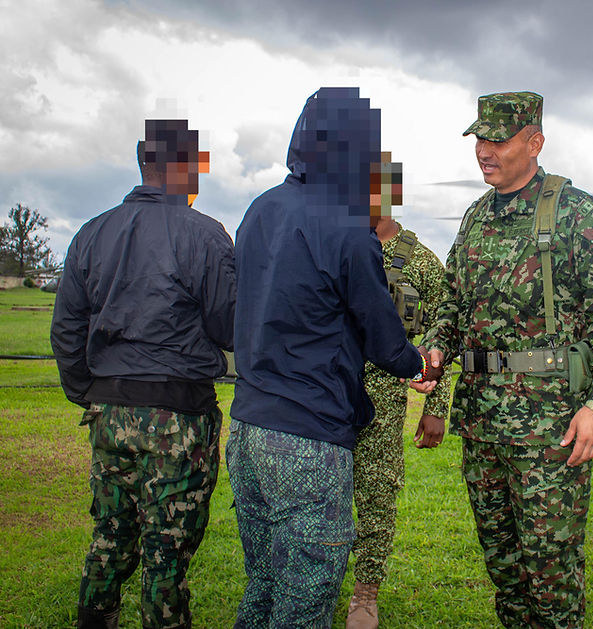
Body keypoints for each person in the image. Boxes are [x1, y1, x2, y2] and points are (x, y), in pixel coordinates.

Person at [422, 91, 593, 628]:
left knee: (550, 569)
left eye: (498, 140)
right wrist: (436, 347)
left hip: (550, 427)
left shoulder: (576, 214)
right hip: (483, 424)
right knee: (503, 565)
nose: (484, 151)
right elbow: (453, 299)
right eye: (480, 140)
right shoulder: (476, 217)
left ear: (535, 142)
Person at [226, 87, 441, 628]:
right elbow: (382, 332)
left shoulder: (260, 210)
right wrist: (418, 367)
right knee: (304, 601)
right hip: (307, 441)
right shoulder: (348, 226)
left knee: (266, 585)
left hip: (248, 430)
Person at [50, 119, 235, 629]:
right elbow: (229, 326)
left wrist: (89, 392)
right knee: (167, 550)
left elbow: (67, 327)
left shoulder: (92, 231)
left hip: (109, 411)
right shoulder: (204, 234)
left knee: (110, 532)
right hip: (178, 415)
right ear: (186, 168)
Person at [344, 216, 453, 629]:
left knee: (376, 494)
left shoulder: (421, 262)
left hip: (386, 399)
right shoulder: (341, 244)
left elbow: (443, 332)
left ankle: (365, 593)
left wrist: (436, 406)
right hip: (331, 393)